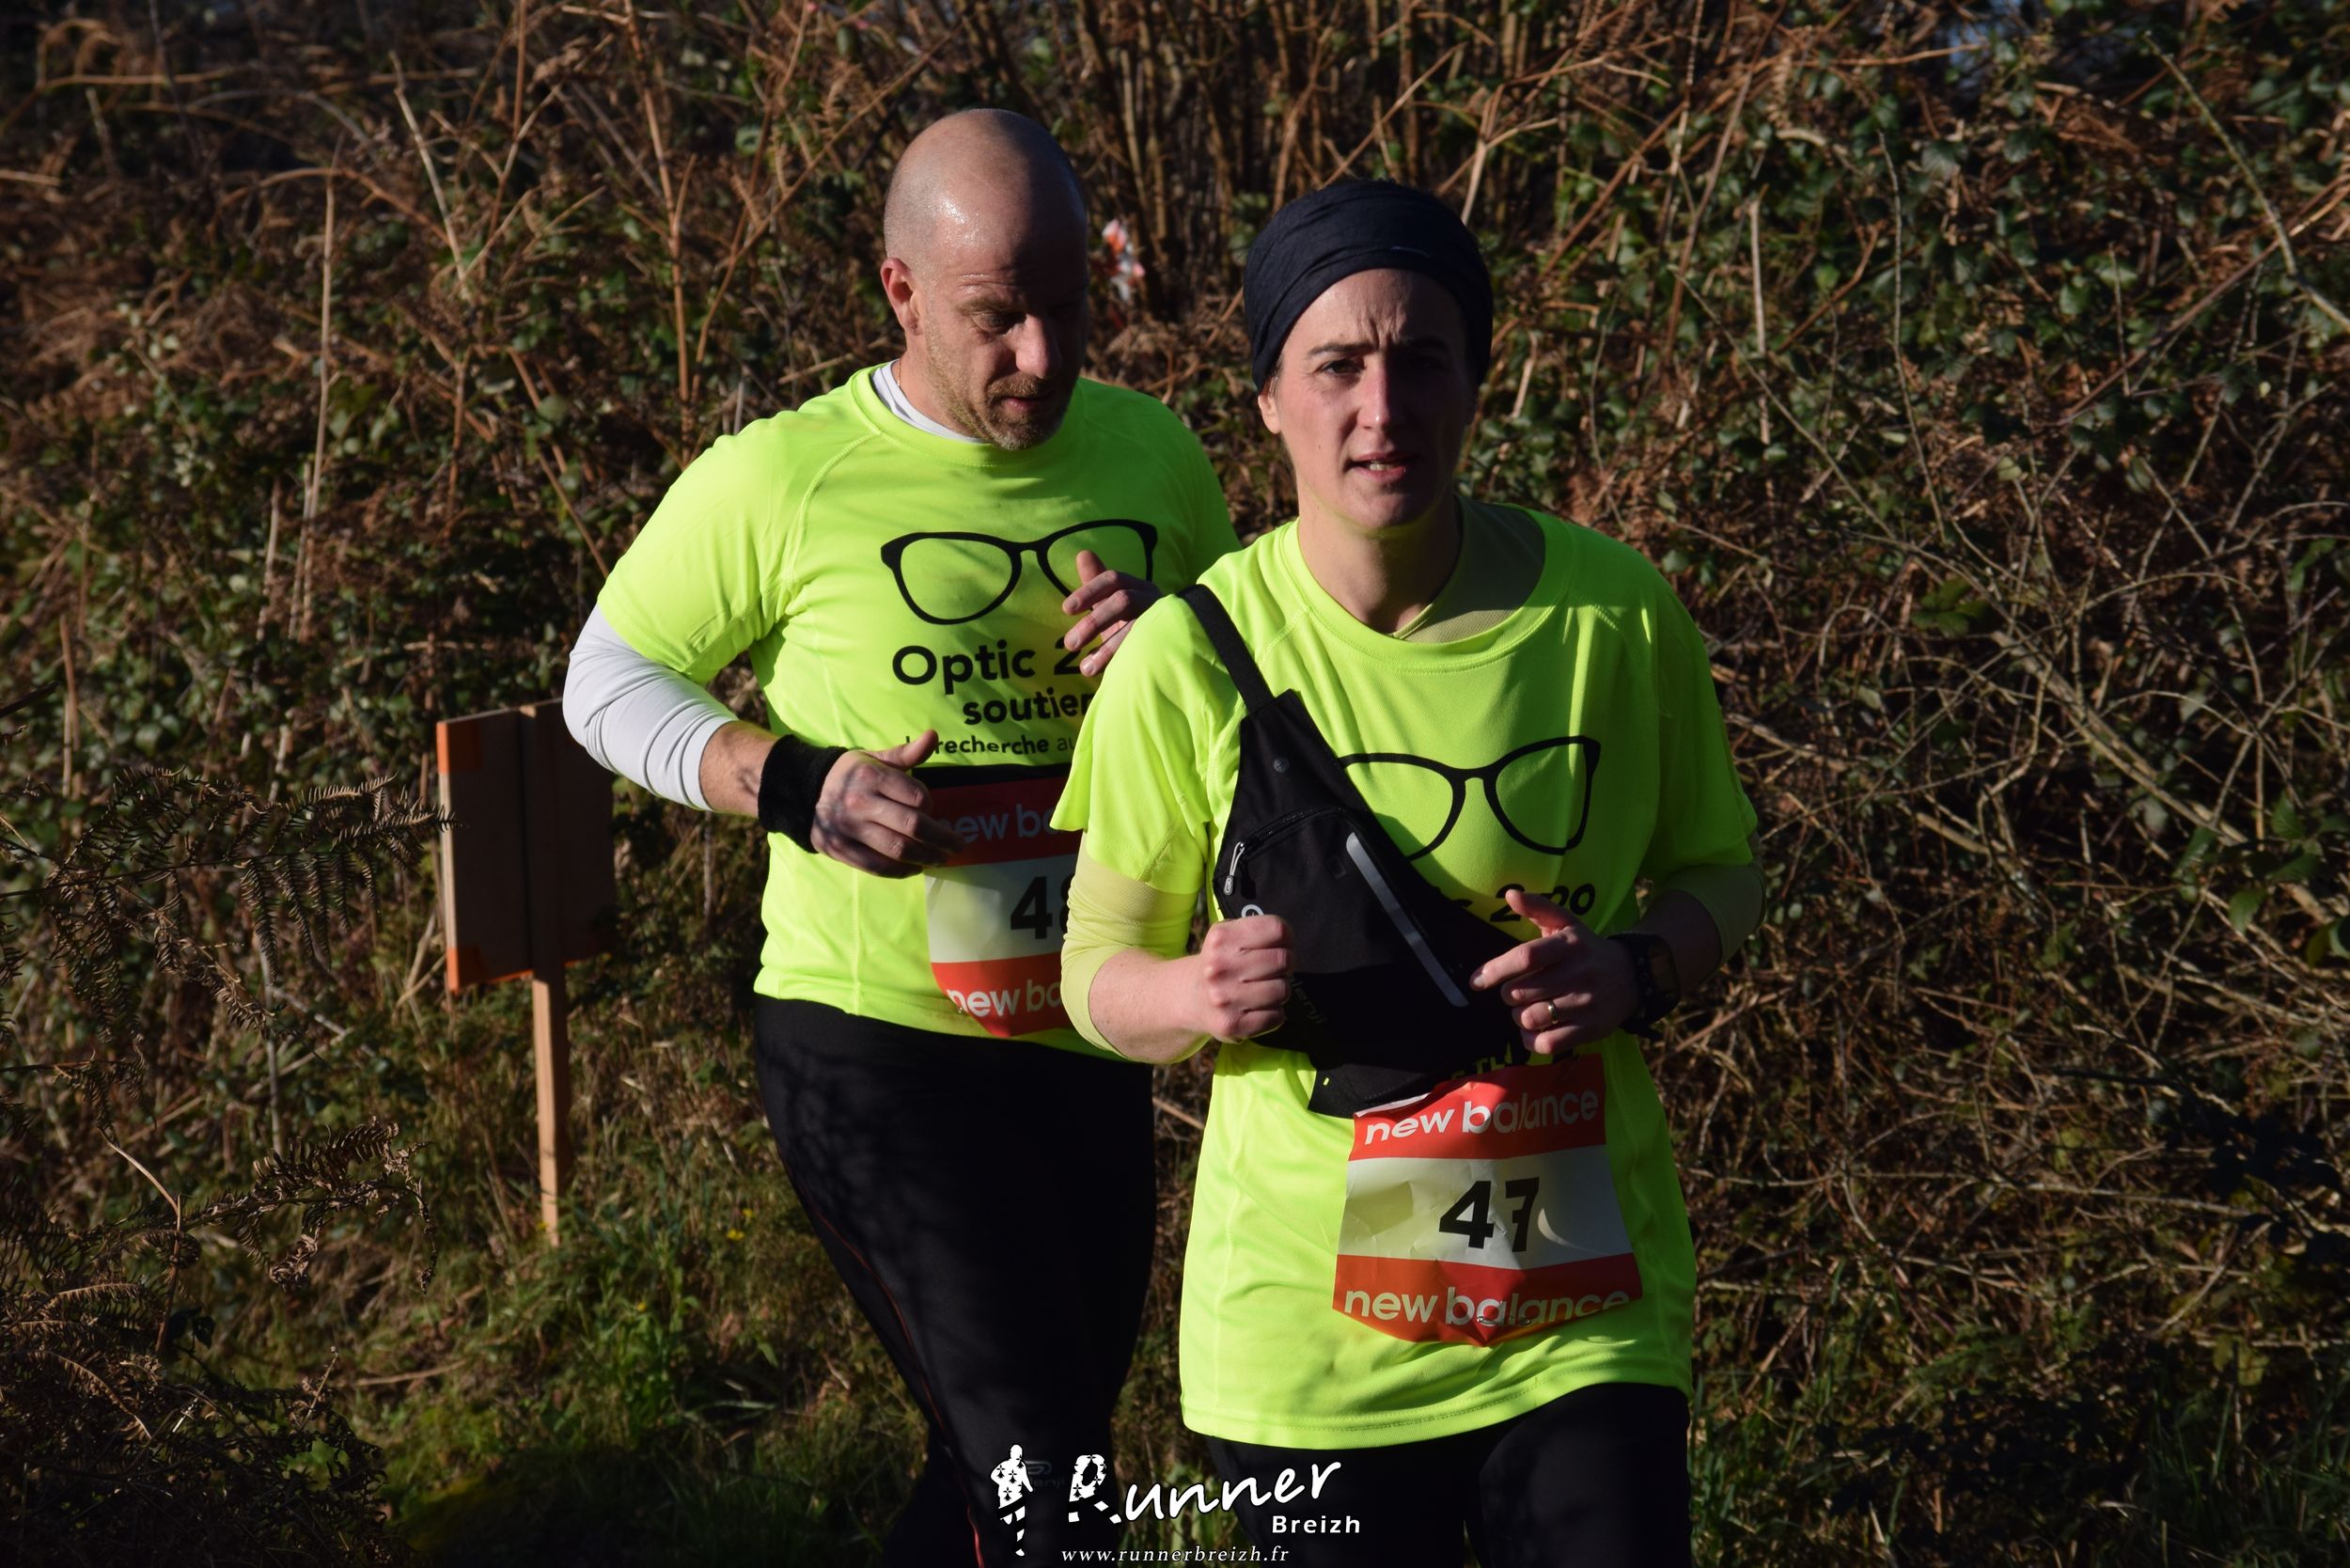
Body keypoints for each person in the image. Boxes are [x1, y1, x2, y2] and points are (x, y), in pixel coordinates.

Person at [1054, 180, 1764, 1566]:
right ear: (1269, 399)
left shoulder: (1615, 614)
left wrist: (1636, 967)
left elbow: (1722, 875)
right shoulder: (1184, 659)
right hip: (1310, 1348)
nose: (1383, 409)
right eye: (1337, 366)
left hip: (1579, 1314)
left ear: (1475, 381)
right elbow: (1092, 976)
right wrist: (1192, 994)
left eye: (1422, 359)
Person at [562, 109, 1234, 1565]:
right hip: (876, 1046)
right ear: (902, 292)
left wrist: (1182, 653)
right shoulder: (784, 475)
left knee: (1019, 1458)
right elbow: (604, 681)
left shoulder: (1157, 456)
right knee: (1052, 1488)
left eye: (1070, 308)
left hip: (1089, 1029)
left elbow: (1258, 738)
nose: (1043, 356)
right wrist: (790, 782)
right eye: (998, 318)